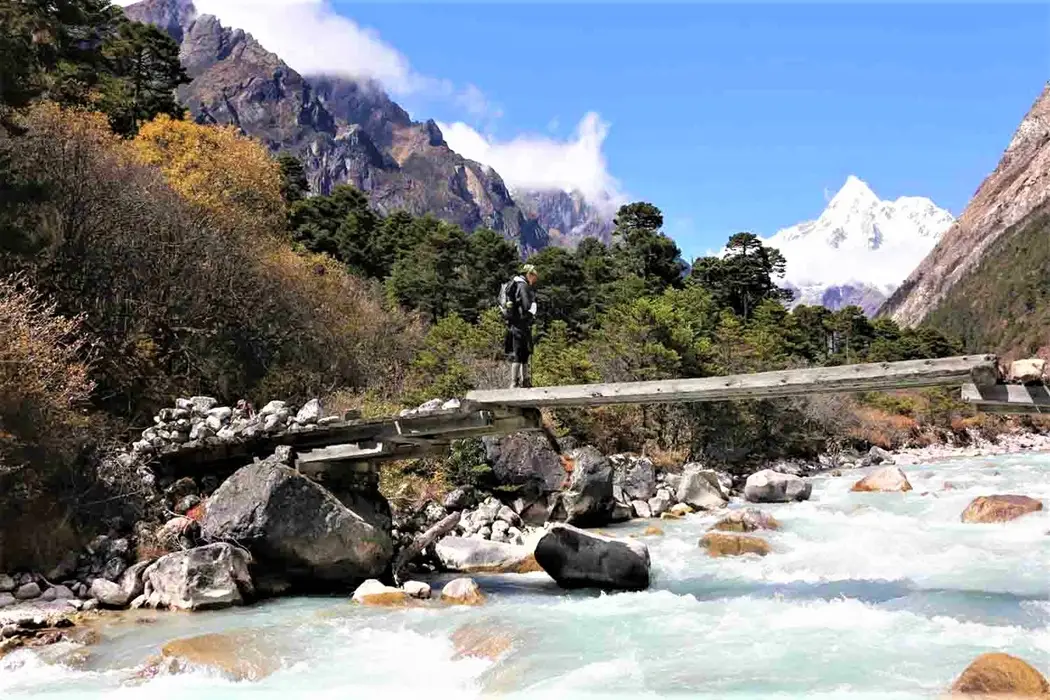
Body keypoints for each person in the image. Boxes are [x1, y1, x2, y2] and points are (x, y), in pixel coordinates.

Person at [502, 263, 538, 388]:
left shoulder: (515, 284)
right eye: (534, 276)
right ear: (528, 274)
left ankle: (518, 382)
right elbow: (527, 305)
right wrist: (533, 309)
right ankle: (518, 382)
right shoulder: (523, 286)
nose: (535, 279)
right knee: (522, 353)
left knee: (519, 352)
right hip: (521, 324)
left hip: (513, 324)